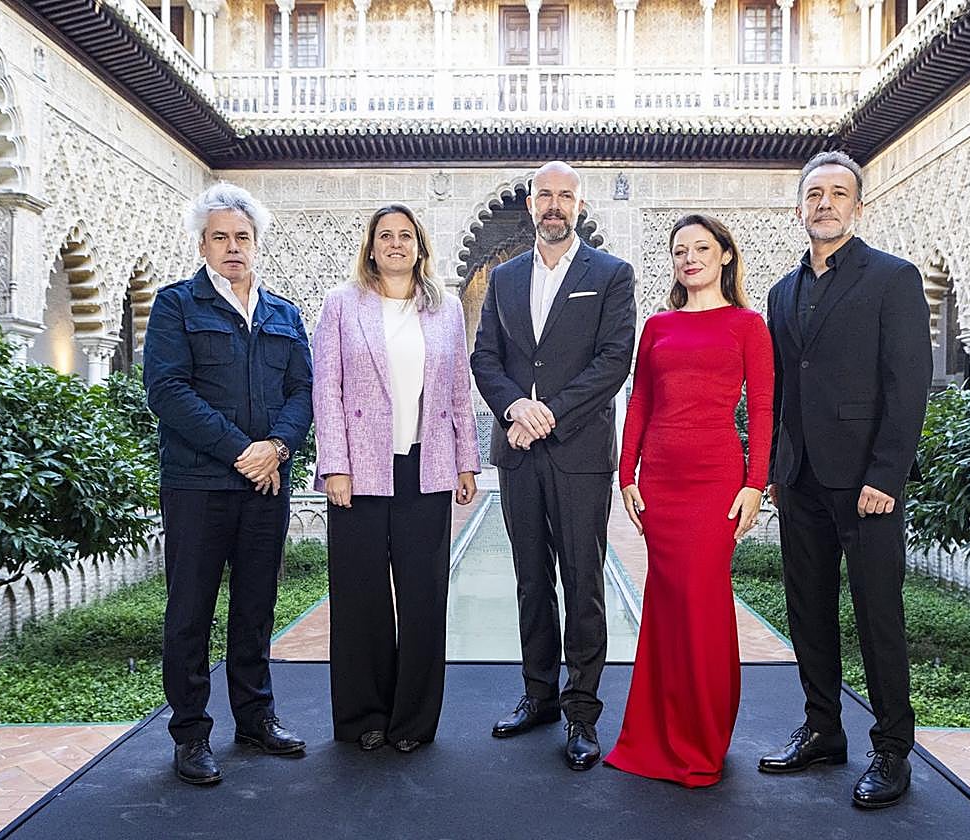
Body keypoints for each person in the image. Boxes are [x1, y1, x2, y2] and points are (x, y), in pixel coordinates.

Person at [758, 151, 932, 808]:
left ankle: (891, 750)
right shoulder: (783, 292)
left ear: (857, 206)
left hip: (868, 483)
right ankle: (823, 729)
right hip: (801, 481)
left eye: (838, 193)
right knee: (808, 611)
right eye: (814, 195)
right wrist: (779, 468)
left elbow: (908, 383)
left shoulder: (892, 278)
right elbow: (780, 391)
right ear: (799, 208)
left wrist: (886, 473)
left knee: (877, 613)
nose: (825, 204)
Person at [144, 182, 314, 785]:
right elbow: (167, 391)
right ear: (203, 244)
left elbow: (302, 391)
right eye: (221, 237)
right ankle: (190, 733)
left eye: (242, 237)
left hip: (267, 483)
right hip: (197, 486)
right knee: (190, 609)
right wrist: (242, 450)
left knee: (255, 606)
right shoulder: (175, 306)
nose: (233, 247)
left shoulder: (283, 315)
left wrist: (278, 446)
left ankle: (255, 718)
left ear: (256, 244)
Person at [471, 161, 636, 771]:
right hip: (517, 453)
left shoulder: (611, 275)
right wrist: (516, 407)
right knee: (531, 579)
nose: (555, 205)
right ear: (531, 203)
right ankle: (538, 695)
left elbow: (614, 359)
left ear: (579, 204)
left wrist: (548, 413)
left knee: (584, 584)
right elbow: (485, 357)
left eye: (566, 195)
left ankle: (581, 713)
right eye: (545, 195)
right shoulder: (505, 277)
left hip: (579, 455)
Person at [604, 214, 773, 787]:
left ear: (725, 255)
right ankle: (655, 732)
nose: (690, 258)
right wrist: (628, 473)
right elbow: (642, 402)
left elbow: (766, 411)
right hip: (662, 482)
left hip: (716, 480)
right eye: (680, 250)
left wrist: (756, 482)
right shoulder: (657, 326)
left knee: (703, 602)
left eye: (702, 248)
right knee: (667, 603)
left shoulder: (748, 325)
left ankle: (703, 736)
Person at [312, 204, 480, 754]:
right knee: (360, 597)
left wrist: (465, 462)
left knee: (423, 596)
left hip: (423, 468)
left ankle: (412, 720)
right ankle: (365, 716)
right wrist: (335, 465)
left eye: (405, 236)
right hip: (359, 471)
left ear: (420, 247)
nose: (395, 244)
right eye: (385, 235)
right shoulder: (341, 306)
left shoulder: (447, 309)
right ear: (371, 246)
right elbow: (327, 392)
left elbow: (458, 390)